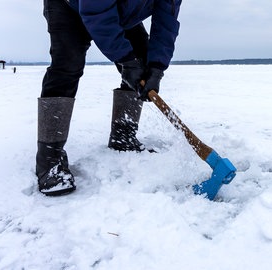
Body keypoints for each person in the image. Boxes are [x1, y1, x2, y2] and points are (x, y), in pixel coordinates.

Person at [36, 0, 182, 196]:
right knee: (67, 65)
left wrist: (157, 67)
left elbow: (166, 21)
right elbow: (96, 13)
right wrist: (125, 60)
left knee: (142, 61)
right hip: (68, 7)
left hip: (118, 13)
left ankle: (123, 137)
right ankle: (49, 157)